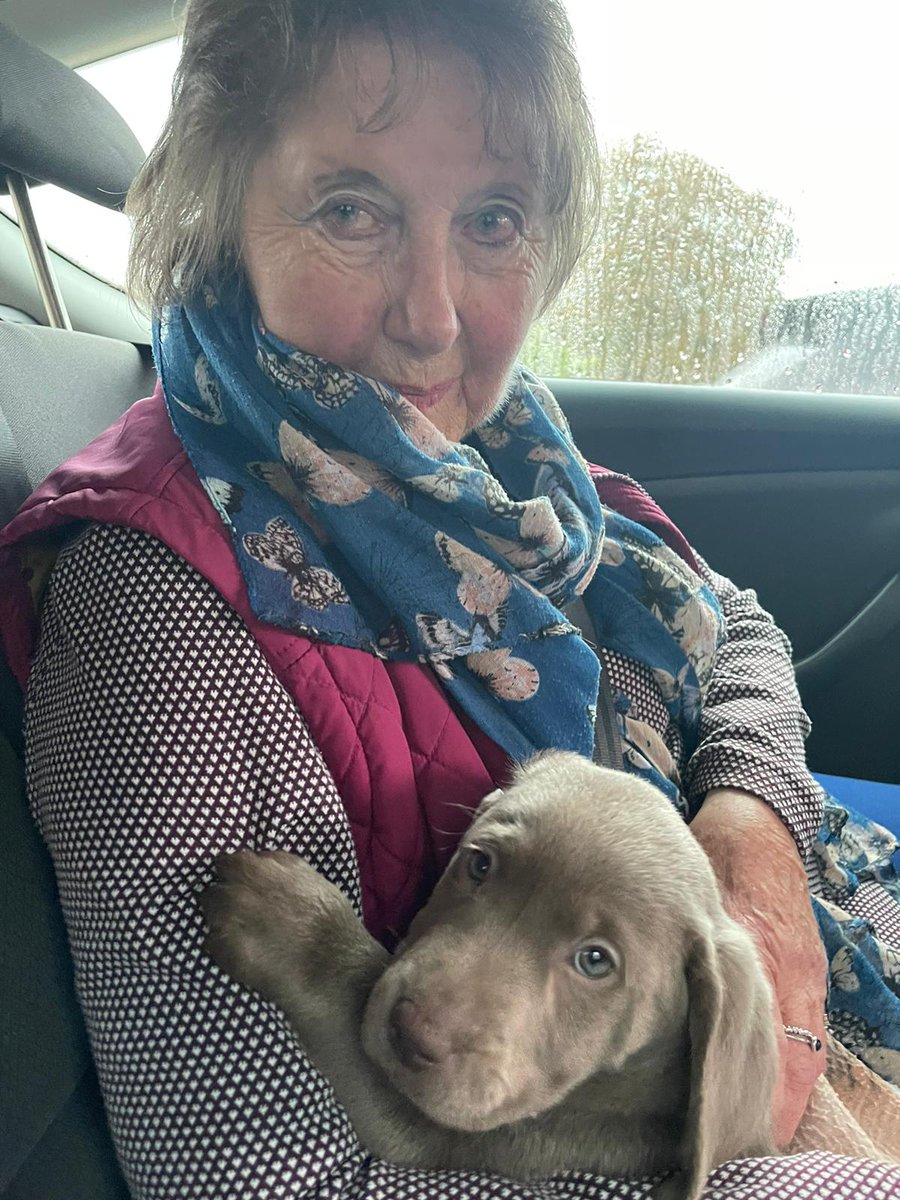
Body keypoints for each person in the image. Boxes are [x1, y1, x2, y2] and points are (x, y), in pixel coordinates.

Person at [1, 1, 898, 1197]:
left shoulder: (520, 470)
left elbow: (733, 622)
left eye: (492, 220)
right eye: (351, 211)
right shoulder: (155, 614)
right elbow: (269, 1175)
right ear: (224, 212)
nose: (433, 316)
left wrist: (751, 836)